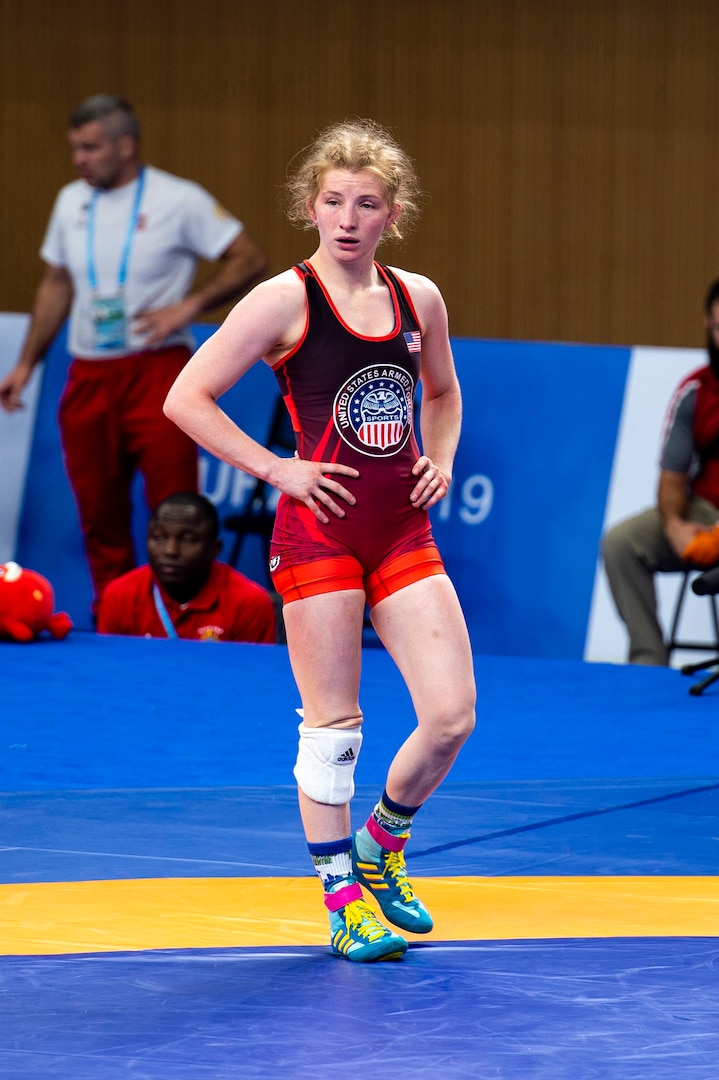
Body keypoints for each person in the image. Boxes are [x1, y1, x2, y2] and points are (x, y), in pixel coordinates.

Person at [163, 119, 476, 963]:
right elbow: (186, 398)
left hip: (400, 530)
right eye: (333, 201)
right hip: (318, 535)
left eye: (365, 204)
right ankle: (342, 900)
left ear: (391, 216)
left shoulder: (419, 298)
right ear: (311, 207)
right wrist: (278, 468)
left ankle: (382, 846)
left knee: (450, 716)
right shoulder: (281, 300)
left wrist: (439, 460)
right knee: (334, 726)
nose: (346, 217)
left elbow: (442, 394)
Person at [0, 94, 268, 610]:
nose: (79, 159)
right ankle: (116, 614)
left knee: (174, 509)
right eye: (75, 148)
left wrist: (188, 306)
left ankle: (178, 620)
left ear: (126, 147)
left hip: (158, 370)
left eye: (90, 148)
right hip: (89, 373)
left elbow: (248, 257)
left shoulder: (178, 199)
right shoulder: (68, 202)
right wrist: (27, 363)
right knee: (98, 511)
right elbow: (56, 283)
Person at [601, 277, 719, 665]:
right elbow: (672, 479)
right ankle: (648, 661)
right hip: (705, 510)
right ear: (707, 327)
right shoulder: (696, 392)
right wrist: (675, 526)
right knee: (620, 544)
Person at [96, 492, 276, 643]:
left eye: (188, 539)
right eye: (159, 537)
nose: (170, 551)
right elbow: (109, 671)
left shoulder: (250, 604)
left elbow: (254, 679)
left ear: (214, 549)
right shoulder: (119, 596)